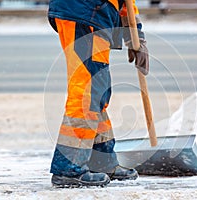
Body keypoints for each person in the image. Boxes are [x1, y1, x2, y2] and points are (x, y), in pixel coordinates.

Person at [47, 0, 149, 187]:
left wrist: (136, 38)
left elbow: (126, 3)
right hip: (85, 11)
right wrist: (134, 37)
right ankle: (69, 167)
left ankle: (101, 160)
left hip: (91, 13)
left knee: (98, 89)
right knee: (87, 89)